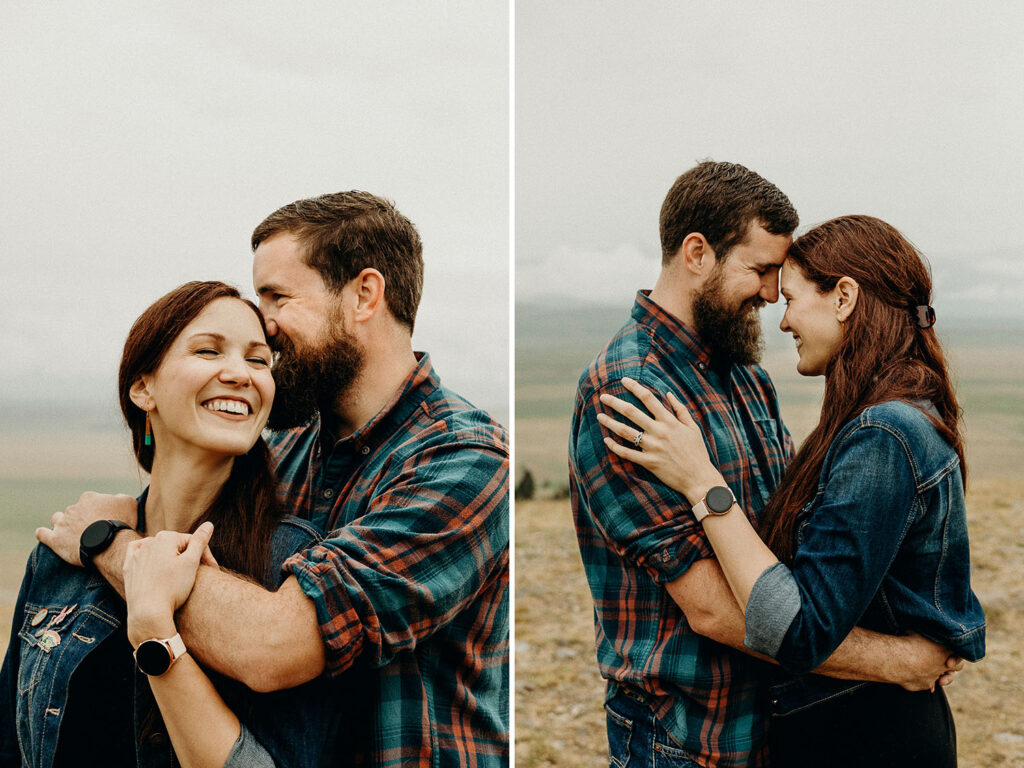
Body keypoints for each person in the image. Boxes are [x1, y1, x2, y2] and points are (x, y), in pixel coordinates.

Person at [35, 191, 510, 767]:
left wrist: (110, 545)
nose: (265, 322)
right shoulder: (280, 450)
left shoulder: (463, 459)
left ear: (364, 295)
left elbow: (275, 645)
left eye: (278, 296)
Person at [568, 163, 961, 768]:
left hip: (779, 722)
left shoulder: (745, 373)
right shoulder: (628, 393)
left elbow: (795, 533)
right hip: (690, 735)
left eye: (780, 275)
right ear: (697, 253)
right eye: (760, 270)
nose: (773, 293)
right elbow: (713, 610)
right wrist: (898, 660)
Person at [1, 281, 334, 767]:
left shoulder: (288, 561)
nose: (240, 374)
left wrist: (157, 631)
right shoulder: (63, 556)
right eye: (208, 350)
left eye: (259, 360)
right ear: (143, 388)